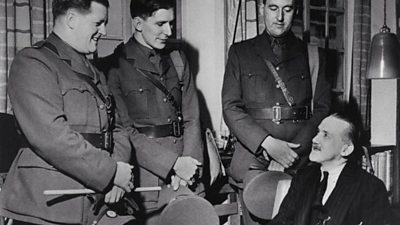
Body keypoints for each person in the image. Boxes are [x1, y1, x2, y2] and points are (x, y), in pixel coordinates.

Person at [0, 1, 135, 225]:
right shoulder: (33, 62)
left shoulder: (95, 72)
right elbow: (52, 137)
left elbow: (118, 129)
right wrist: (111, 172)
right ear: (71, 19)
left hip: (96, 200)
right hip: (48, 206)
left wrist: (118, 174)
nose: (103, 31)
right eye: (98, 23)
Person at [221, 0, 331, 224]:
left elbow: (323, 109)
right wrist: (267, 144)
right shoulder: (240, 52)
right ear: (262, 9)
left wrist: (291, 154)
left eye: (287, 9)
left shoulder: (313, 55)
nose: (279, 16)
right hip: (254, 162)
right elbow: (230, 107)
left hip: (299, 164)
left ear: (295, 12)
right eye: (273, 8)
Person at [96, 0, 204, 224]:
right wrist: (173, 164)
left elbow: (192, 118)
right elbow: (125, 131)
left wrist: (189, 165)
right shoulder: (113, 66)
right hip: (147, 177)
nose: (169, 31)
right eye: (160, 24)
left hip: (187, 171)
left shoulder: (178, 59)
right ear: (137, 23)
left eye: (171, 23)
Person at [270, 106, 393, 225]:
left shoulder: (370, 187)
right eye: (318, 132)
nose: (314, 139)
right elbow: (281, 222)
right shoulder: (304, 176)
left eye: (325, 135)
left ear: (346, 149)